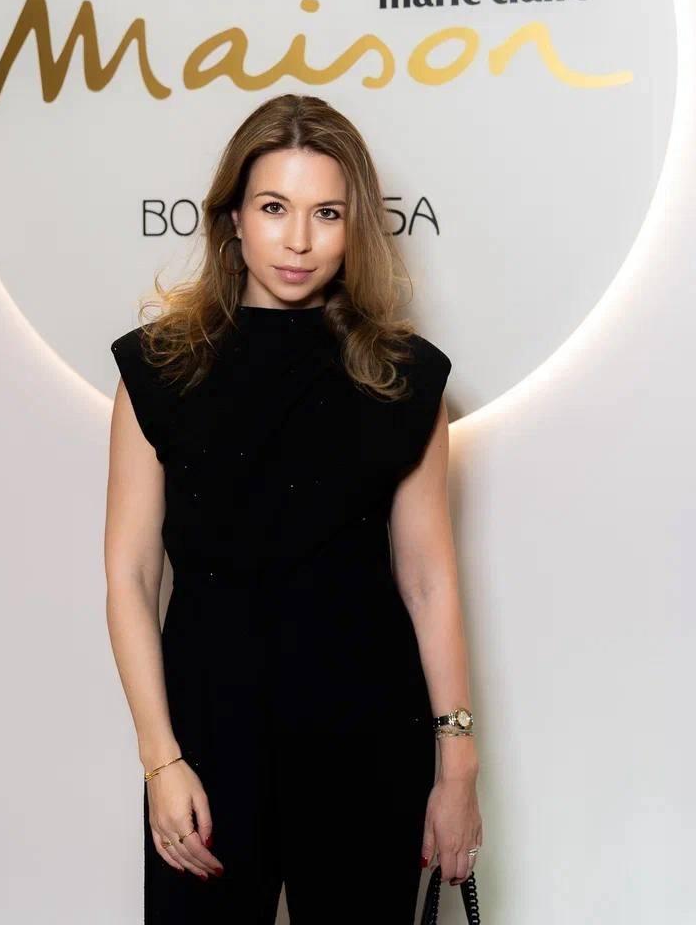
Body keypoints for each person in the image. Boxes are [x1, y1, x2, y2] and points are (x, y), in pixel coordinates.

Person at [105, 93, 482, 924]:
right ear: (233, 218)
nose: (299, 240)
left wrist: (457, 768)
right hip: (206, 739)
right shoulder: (157, 370)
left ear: (356, 227)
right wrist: (160, 760)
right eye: (274, 207)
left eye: (327, 213)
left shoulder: (404, 377)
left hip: (366, 738)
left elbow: (428, 580)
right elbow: (129, 577)